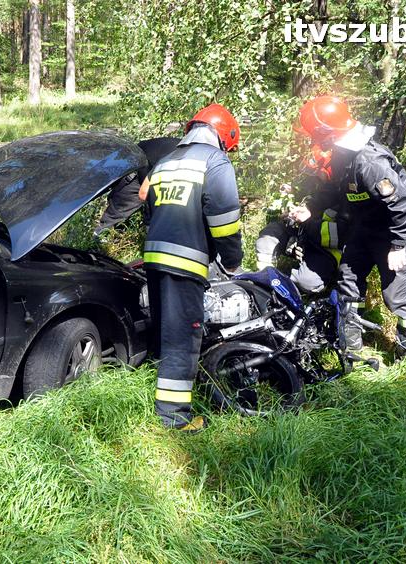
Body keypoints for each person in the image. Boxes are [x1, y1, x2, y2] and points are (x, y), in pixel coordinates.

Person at [291, 95, 406, 358]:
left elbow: (404, 206)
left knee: (396, 294)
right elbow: (332, 190)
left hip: (394, 231)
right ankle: (350, 346)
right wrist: (312, 207)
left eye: (315, 135)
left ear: (327, 133)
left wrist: (398, 246)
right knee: (348, 282)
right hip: (363, 227)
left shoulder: (369, 162)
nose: (313, 140)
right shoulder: (342, 153)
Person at [140, 103, 243, 431]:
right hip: (185, 262)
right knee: (183, 338)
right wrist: (232, 261)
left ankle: (156, 391)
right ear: (223, 137)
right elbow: (225, 221)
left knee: (165, 332)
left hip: (154, 258)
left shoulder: (165, 161)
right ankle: (173, 417)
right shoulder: (215, 162)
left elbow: (149, 209)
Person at [256, 182, 349, 294]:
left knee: (306, 282)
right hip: (302, 235)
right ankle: (264, 278)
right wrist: (291, 215)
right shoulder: (314, 181)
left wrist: (305, 226)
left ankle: (289, 285)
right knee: (268, 236)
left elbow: (342, 234)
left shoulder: (346, 192)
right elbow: (303, 203)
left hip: (326, 251)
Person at [94, 137, 180, 237]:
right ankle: (97, 240)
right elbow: (145, 194)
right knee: (117, 213)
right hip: (139, 164)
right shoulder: (171, 163)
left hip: (152, 160)